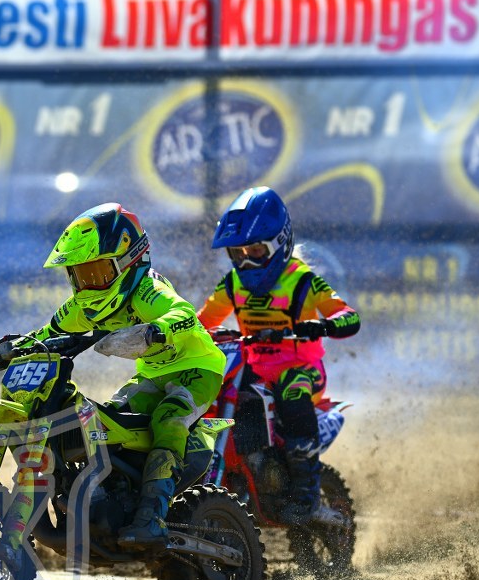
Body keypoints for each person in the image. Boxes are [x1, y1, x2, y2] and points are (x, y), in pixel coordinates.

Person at [18, 202, 225, 549]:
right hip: (152, 375)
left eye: (97, 273)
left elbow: (185, 314)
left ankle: (152, 516)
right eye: (81, 276)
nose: (89, 285)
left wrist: (156, 331)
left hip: (197, 368)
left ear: (128, 261)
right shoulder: (83, 306)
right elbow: (44, 335)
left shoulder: (147, 290)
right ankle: (107, 497)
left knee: (168, 418)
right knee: (106, 423)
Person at [197, 186, 361, 526]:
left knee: (292, 389)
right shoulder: (232, 283)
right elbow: (202, 322)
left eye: (255, 251)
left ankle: (306, 495)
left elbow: (348, 316)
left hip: (300, 368)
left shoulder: (302, 281)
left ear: (279, 243)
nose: (246, 260)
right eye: (238, 253)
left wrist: (321, 326)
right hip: (251, 368)